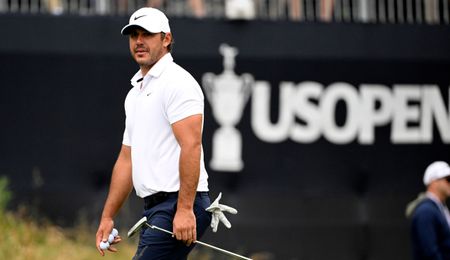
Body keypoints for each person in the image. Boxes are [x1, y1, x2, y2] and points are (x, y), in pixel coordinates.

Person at [95, 7, 211, 259]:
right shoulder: (135, 93)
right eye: (133, 35)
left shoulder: (178, 83)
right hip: (158, 208)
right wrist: (107, 216)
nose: (139, 41)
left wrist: (184, 209)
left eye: (146, 34)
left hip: (179, 205)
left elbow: (191, 145)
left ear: (166, 39)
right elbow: (127, 158)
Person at [406, 161, 450, 260]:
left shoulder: (439, 208)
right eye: (448, 179)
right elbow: (429, 252)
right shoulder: (426, 212)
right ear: (433, 182)